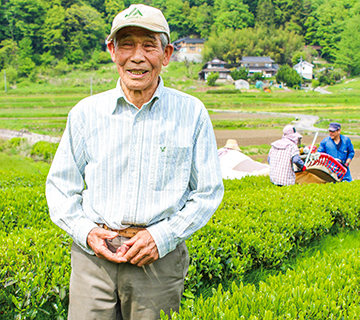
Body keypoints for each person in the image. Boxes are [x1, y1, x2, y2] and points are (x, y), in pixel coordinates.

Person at [45, 4, 224, 320]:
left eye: (149, 45)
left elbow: (207, 193)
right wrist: (85, 231)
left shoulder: (192, 113)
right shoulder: (86, 113)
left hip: (157, 260)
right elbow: (60, 186)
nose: (137, 56)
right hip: (93, 259)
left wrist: (161, 237)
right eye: (126, 44)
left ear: (166, 54)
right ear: (112, 51)